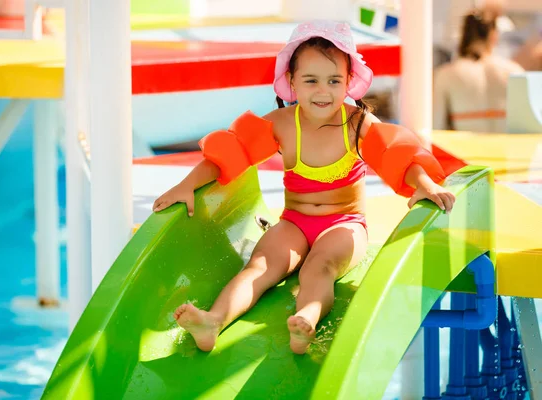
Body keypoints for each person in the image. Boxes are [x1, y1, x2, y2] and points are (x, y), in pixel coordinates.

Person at [153, 20, 456, 355]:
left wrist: (424, 183)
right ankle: (213, 321)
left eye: (333, 81)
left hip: (345, 224)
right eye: (311, 80)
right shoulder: (282, 124)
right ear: (292, 82)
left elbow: (397, 156)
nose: (322, 91)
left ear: (349, 83)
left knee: (320, 267)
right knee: (260, 266)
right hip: (294, 222)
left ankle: (307, 319)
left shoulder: (356, 124)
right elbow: (229, 155)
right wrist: (185, 185)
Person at [433, 9, 524, 133]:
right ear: (494, 36)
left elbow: (437, 127)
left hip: (464, 150)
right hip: (507, 150)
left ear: (463, 35)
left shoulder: (447, 74)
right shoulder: (514, 71)